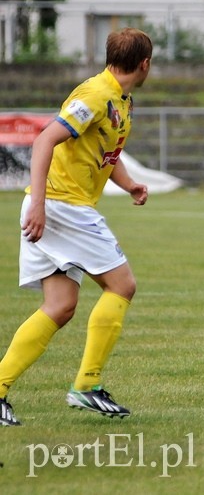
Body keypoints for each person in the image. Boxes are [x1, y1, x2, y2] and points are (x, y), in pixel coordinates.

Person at [0, 28, 152, 426]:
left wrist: (129, 183)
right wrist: (38, 205)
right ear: (145, 64)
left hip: (59, 206)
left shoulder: (120, 98)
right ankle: (86, 386)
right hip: (62, 206)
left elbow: (105, 150)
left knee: (60, 306)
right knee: (123, 285)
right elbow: (44, 141)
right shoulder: (95, 96)